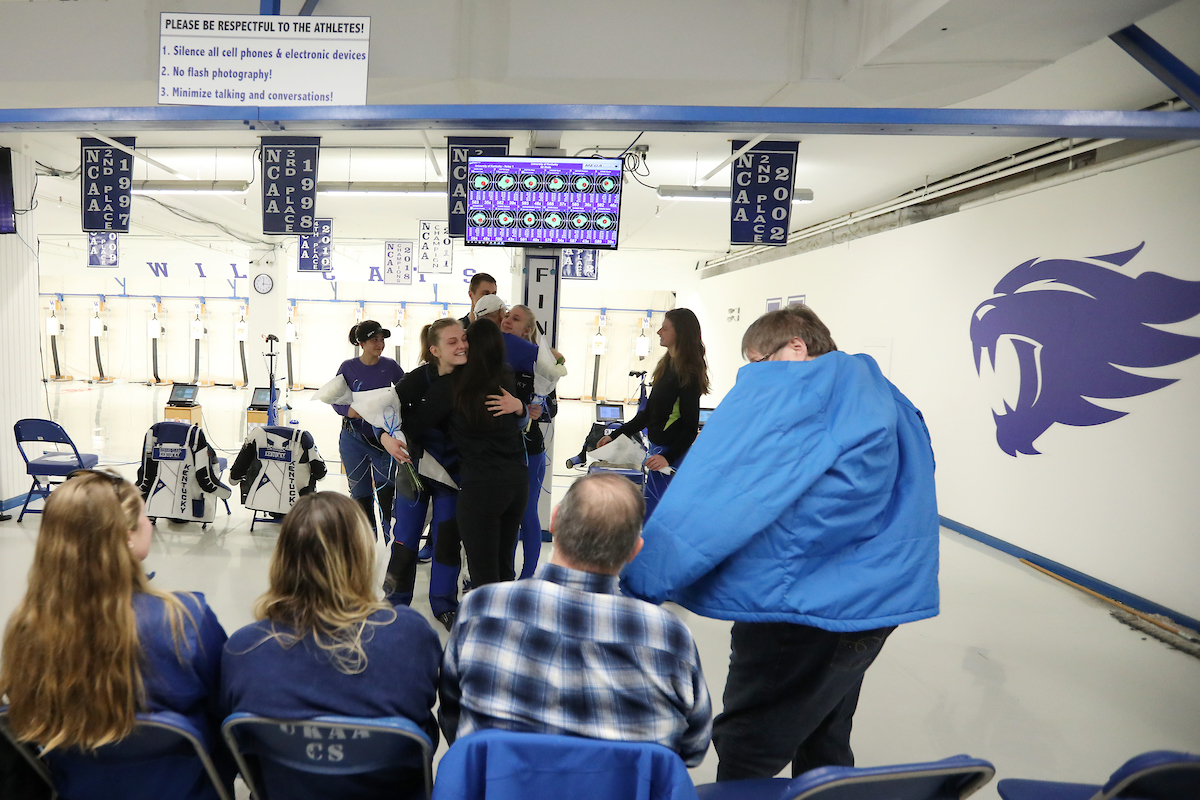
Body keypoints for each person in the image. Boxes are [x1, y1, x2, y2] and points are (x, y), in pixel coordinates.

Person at [620, 305, 940, 782]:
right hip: (870, 602)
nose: (754, 376)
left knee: (749, 745)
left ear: (796, 346)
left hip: (794, 601)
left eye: (758, 362)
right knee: (824, 733)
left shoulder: (799, 391)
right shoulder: (884, 397)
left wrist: (641, 579)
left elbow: (722, 491)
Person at [439, 473, 712, 766]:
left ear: (554, 521)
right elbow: (692, 749)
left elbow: (453, 717)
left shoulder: (480, 608)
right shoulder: (669, 636)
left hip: (497, 781)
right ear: (635, 550)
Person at [0, 469, 232, 799]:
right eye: (144, 516)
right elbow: (226, 716)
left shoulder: (25, 629)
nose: (149, 523)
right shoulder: (184, 620)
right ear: (126, 537)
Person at [222, 493, 441, 795]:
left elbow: (241, 755)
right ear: (362, 557)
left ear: (283, 558)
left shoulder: (244, 649)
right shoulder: (410, 635)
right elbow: (426, 735)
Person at [405, 318, 528, 589]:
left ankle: (485, 617)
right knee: (504, 567)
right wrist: (521, 408)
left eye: (464, 340)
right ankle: (506, 613)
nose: (461, 346)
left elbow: (413, 425)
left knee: (483, 575)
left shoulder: (453, 385)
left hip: (482, 486)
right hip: (517, 483)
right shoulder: (505, 376)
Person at [382, 318, 468, 631]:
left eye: (464, 339)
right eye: (452, 342)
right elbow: (383, 416)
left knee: (447, 542)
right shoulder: (415, 381)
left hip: (453, 476)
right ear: (435, 350)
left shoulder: (473, 379)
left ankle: (445, 604)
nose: (462, 346)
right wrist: (385, 437)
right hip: (414, 472)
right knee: (405, 540)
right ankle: (394, 603)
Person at [598, 307, 710, 518]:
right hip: (658, 451)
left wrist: (667, 457)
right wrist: (615, 435)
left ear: (680, 333)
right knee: (651, 513)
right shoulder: (667, 365)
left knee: (660, 515)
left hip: (670, 455)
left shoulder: (688, 374)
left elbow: (689, 428)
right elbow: (648, 414)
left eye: (665, 328)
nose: (659, 332)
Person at [501, 304, 558, 578]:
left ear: (527, 330)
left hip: (530, 450)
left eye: (515, 319)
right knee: (506, 515)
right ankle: (506, 572)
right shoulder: (495, 358)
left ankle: (528, 576)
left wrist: (539, 409)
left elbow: (552, 409)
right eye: (506, 316)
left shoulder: (540, 365)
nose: (507, 321)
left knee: (526, 513)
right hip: (501, 449)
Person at [332, 319, 404, 533]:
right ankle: (366, 537)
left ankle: (390, 537)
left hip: (383, 441)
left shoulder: (390, 366)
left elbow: (405, 392)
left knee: (386, 490)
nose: (380, 344)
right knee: (360, 493)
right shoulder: (348, 368)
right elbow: (334, 398)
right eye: (374, 340)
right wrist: (349, 411)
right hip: (353, 439)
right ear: (361, 343)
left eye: (382, 340)